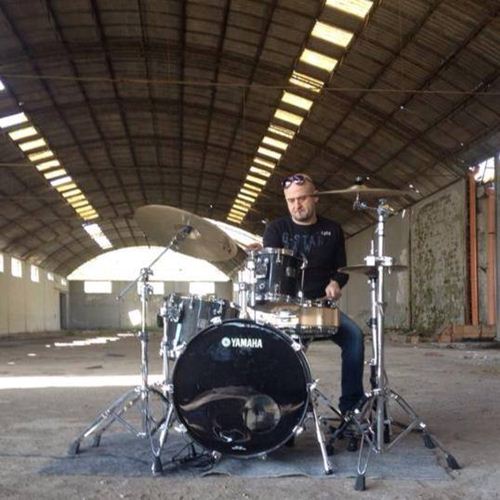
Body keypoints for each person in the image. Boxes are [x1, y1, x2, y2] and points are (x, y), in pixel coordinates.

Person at [259, 172, 365, 415]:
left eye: (302, 198)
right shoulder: (276, 229)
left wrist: (335, 283)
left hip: (321, 306)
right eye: (291, 200)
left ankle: (351, 408)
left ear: (315, 197)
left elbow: (342, 270)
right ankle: (287, 408)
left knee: (355, 337)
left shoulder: (332, 229)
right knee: (277, 351)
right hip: (286, 308)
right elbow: (271, 274)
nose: (297, 205)